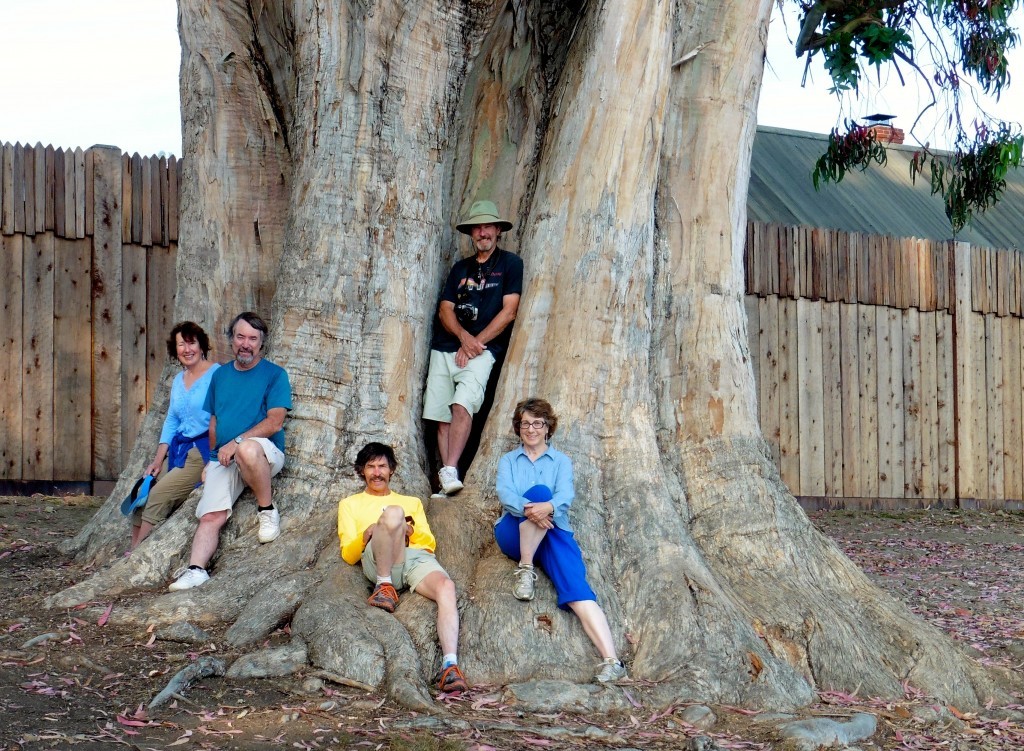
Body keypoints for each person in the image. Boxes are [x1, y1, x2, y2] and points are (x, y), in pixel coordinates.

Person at [495, 398, 628, 684]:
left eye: (538, 423)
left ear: (548, 427)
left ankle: (612, 661)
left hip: (553, 530)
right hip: (513, 532)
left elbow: (565, 495)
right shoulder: (508, 461)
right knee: (542, 491)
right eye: (525, 423)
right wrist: (537, 509)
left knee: (578, 589)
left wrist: (548, 509)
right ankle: (526, 569)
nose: (531, 429)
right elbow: (506, 495)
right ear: (518, 428)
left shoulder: (561, 461)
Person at [169, 312, 292, 591]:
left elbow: (275, 422)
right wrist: (212, 458)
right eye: (240, 337)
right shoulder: (221, 375)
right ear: (231, 339)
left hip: (262, 453)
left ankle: (267, 509)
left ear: (261, 344)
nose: (245, 344)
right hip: (225, 457)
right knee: (210, 515)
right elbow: (214, 421)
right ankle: (196, 569)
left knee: (247, 449)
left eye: (252, 338)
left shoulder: (275, 375)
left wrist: (236, 442)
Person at [337, 442, 469, 694]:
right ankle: (384, 584)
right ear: (362, 471)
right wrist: (368, 533)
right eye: (371, 467)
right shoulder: (350, 504)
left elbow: (428, 544)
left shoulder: (411, 502)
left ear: (392, 470)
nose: (377, 473)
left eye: (382, 466)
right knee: (393, 515)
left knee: (446, 586)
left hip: (410, 557)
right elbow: (348, 553)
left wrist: (408, 532)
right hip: (376, 560)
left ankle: (450, 666)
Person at [424, 200, 523, 496]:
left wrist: (475, 344)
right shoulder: (460, 268)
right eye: (477, 228)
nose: (483, 232)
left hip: (483, 351)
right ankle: (446, 478)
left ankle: (451, 467)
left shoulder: (510, 264)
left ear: (498, 231)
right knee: (441, 414)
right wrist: (464, 338)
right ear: (471, 233)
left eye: (488, 226)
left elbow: (509, 312)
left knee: (463, 405)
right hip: (446, 348)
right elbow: (445, 310)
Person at [129, 322, 219, 550]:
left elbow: (222, 417)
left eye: (191, 343)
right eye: (181, 344)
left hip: (203, 452)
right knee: (144, 490)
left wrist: (213, 461)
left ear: (201, 346)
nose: (187, 349)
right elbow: (172, 421)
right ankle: (131, 549)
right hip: (179, 450)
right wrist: (157, 461)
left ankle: (137, 555)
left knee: (159, 495)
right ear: (175, 349)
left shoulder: (216, 374)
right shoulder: (179, 380)